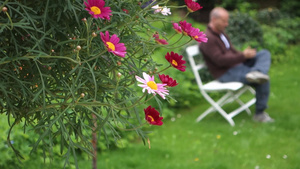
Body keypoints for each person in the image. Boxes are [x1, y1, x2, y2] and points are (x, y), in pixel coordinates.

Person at [199, 7, 274, 123]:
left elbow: (232, 51)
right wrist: (243, 56)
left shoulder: (221, 33)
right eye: (224, 21)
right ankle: (259, 114)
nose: (227, 24)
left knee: (264, 53)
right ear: (214, 19)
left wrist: (245, 55)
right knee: (262, 80)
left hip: (236, 65)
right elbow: (220, 60)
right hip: (225, 73)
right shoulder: (208, 38)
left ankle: (256, 72)